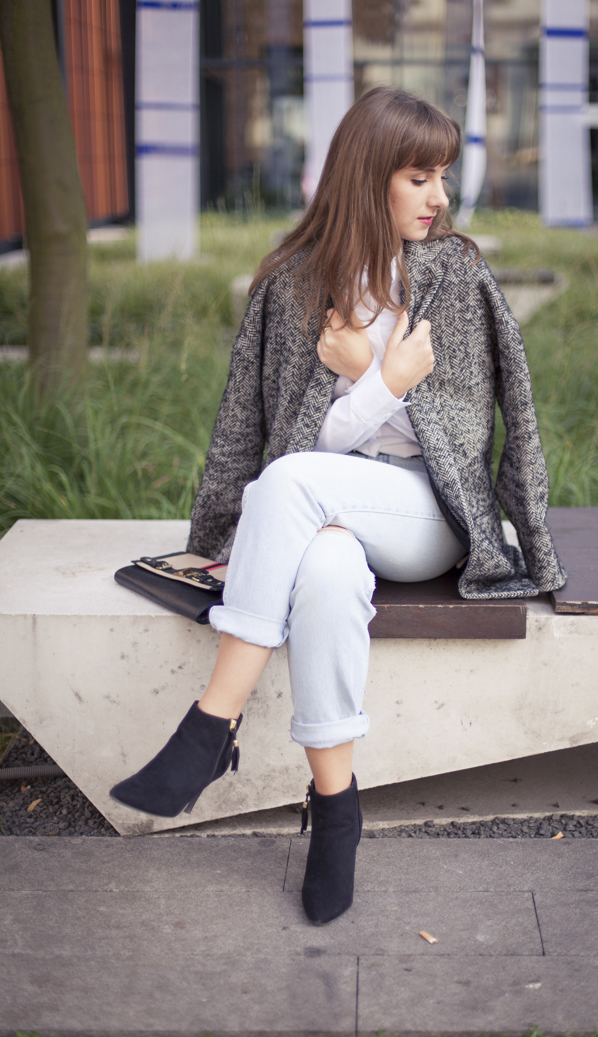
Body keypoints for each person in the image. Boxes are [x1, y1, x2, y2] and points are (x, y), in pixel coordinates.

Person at [110, 87, 566, 925]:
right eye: (418, 176)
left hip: (430, 516)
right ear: (368, 178)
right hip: (330, 512)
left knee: (289, 484)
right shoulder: (295, 283)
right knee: (319, 570)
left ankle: (210, 725)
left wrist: (374, 381)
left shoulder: (453, 276)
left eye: (443, 177)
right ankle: (336, 812)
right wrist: (376, 386)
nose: (439, 197)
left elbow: (468, 435)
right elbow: (255, 429)